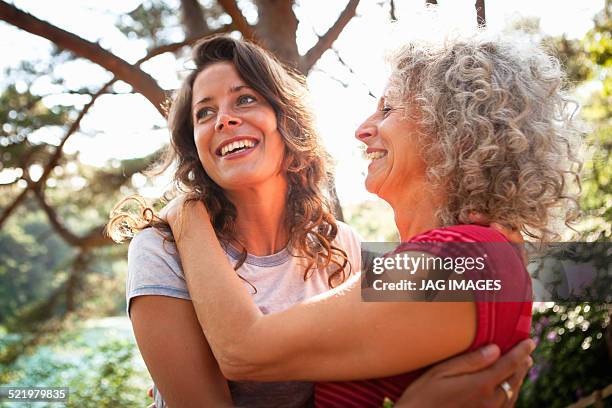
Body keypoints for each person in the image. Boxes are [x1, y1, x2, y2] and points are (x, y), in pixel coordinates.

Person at [108, 35, 536, 408]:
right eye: (203, 113)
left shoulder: (354, 247)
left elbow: (244, 350)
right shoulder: (162, 249)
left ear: (450, 131)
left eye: (245, 98)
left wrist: (185, 214)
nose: (222, 119)